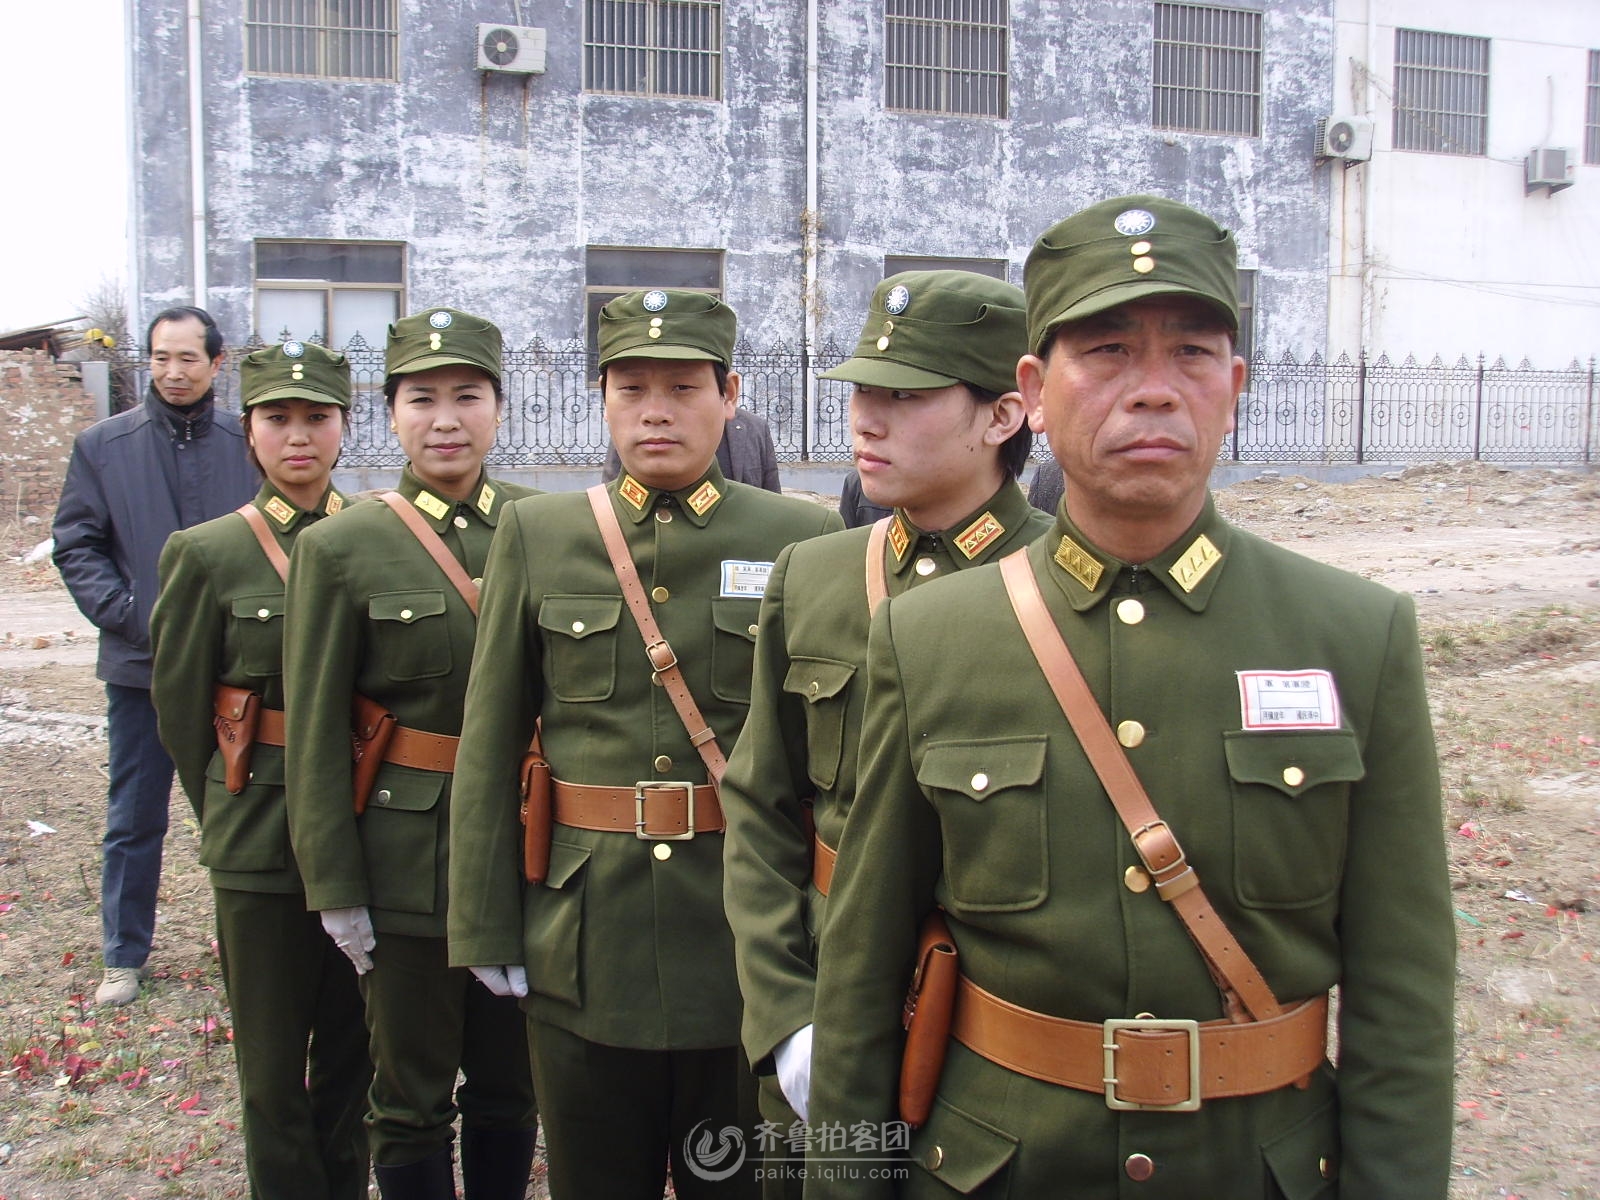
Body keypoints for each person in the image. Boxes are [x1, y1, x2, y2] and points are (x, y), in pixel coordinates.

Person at [806, 196, 1455, 1198]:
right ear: (1033, 392)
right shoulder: (930, 637)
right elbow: (863, 968)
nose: (1152, 391)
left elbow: (1402, 997)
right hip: (997, 1167)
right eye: (1106, 352)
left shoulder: (1354, 636)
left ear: (1233, 387)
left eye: (1190, 355)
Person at [448, 288, 842, 1198]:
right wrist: (484, 919)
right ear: (603, 397)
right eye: (631, 388)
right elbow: (492, 739)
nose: (656, 410)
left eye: (683, 386)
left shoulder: (803, 538)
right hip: (587, 932)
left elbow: (831, 759)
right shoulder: (538, 534)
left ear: (730, 393)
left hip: (741, 935)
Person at [718, 270, 1051, 1192]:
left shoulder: (1066, 589)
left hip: (991, 1028)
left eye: (905, 397)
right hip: (824, 999)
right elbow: (760, 807)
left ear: (1003, 414)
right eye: (864, 391)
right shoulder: (815, 577)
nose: (867, 419)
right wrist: (787, 1016)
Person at [283, 309, 539, 1200]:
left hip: (525, 846)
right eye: (420, 398)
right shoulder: (340, 546)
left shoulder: (550, 528)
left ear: (499, 409)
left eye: (467, 396)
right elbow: (315, 730)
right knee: (412, 1093)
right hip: (407, 863)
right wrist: (336, 884)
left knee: (514, 1084)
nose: (445, 419)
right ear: (388, 412)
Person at [150, 341, 370, 1200]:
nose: (299, 436)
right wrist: (231, 812)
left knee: (355, 1051)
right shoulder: (208, 553)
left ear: (346, 428)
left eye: (317, 417)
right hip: (260, 835)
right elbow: (181, 714)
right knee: (274, 1068)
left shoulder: (379, 537)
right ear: (249, 433)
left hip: (362, 824)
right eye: (278, 418)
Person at [52, 305, 256, 1007]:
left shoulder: (247, 441)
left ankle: (252, 947)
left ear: (216, 364)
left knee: (241, 811)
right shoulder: (104, 446)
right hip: (142, 670)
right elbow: (76, 545)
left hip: (237, 673)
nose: (173, 372)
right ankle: (123, 956)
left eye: (189, 359)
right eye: (161, 358)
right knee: (135, 816)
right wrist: (136, 617)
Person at [604, 403, 784, 492]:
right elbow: (610, 499)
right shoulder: (636, 432)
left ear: (728, 390)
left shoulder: (754, 428)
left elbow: (773, 499)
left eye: (684, 386)